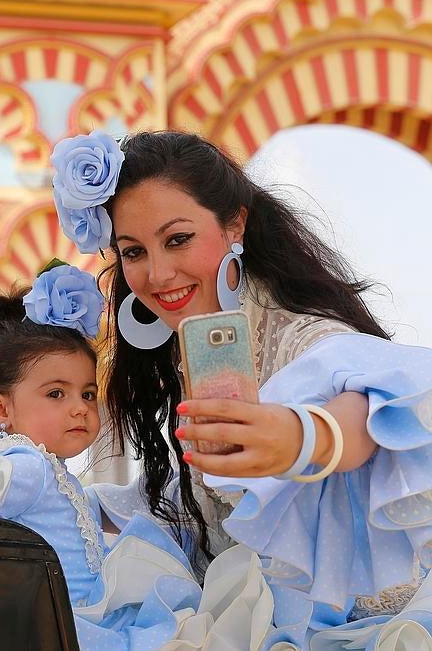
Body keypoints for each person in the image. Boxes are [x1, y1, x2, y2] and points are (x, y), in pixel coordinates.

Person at [51, 129, 432, 649]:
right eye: (134, 251)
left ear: (236, 225)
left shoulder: (299, 335)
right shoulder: (192, 350)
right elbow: (202, 504)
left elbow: (371, 404)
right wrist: (54, 498)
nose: (158, 274)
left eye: (177, 239)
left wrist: (302, 436)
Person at [0, 262, 242, 651]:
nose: (80, 408)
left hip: (75, 615)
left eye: (87, 394)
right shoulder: (29, 465)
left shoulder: (53, 474)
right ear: (1, 408)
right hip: (69, 621)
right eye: (56, 393)